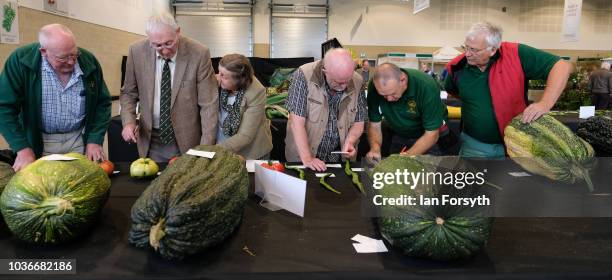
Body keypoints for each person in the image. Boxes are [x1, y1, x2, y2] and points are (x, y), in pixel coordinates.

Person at [444, 22, 572, 158]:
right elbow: (453, 91)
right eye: (466, 47)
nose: (467, 54)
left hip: (518, 144)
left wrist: (545, 103)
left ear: (493, 50)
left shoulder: (516, 54)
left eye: (474, 50)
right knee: (474, 178)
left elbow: (562, 66)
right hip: (475, 145)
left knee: (511, 179)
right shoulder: (456, 67)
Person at [0, 24, 111, 171]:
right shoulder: (20, 61)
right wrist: (22, 148)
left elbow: (102, 104)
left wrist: (95, 140)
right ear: (44, 52)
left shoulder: (88, 60)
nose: (71, 61)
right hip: (39, 141)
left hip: (78, 140)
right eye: (63, 58)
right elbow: (4, 108)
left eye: (74, 54)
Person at [120, 12, 219, 162]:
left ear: (178, 32)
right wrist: (128, 122)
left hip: (187, 140)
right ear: (149, 37)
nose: (165, 50)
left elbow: (209, 104)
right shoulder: (136, 52)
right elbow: (128, 93)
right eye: (157, 45)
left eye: (169, 43)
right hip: (150, 139)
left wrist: (205, 148)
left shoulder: (199, 53)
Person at [285, 48, 366, 171]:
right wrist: (308, 158)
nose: (343, 86)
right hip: (304, 157)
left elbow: (359, 122)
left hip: (339, 160)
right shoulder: (303, 75)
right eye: (337, 82)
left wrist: (350, 141)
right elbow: (296, 123)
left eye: (346, 81)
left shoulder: (357, 81)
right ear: (325, 71)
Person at [366, 63, 449, 163]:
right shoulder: (376, 86)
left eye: (392, 94)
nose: (388, 99)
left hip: (428, 137)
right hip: (398, 133)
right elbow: (374, 124)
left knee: (426, 174)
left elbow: (432, 134)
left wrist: (407, 156)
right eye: (383, 95)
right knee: (397, 172)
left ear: (403, 80)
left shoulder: (426, 86)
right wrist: (375, 149)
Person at [215, 54, 272, 159]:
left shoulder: (256, 92)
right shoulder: (219, 82)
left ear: (238, 80)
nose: (218, 77)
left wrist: (213, 150)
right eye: (219, 72)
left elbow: (245, 136)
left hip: (250, 153)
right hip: (221, 146)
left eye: (224, 76)